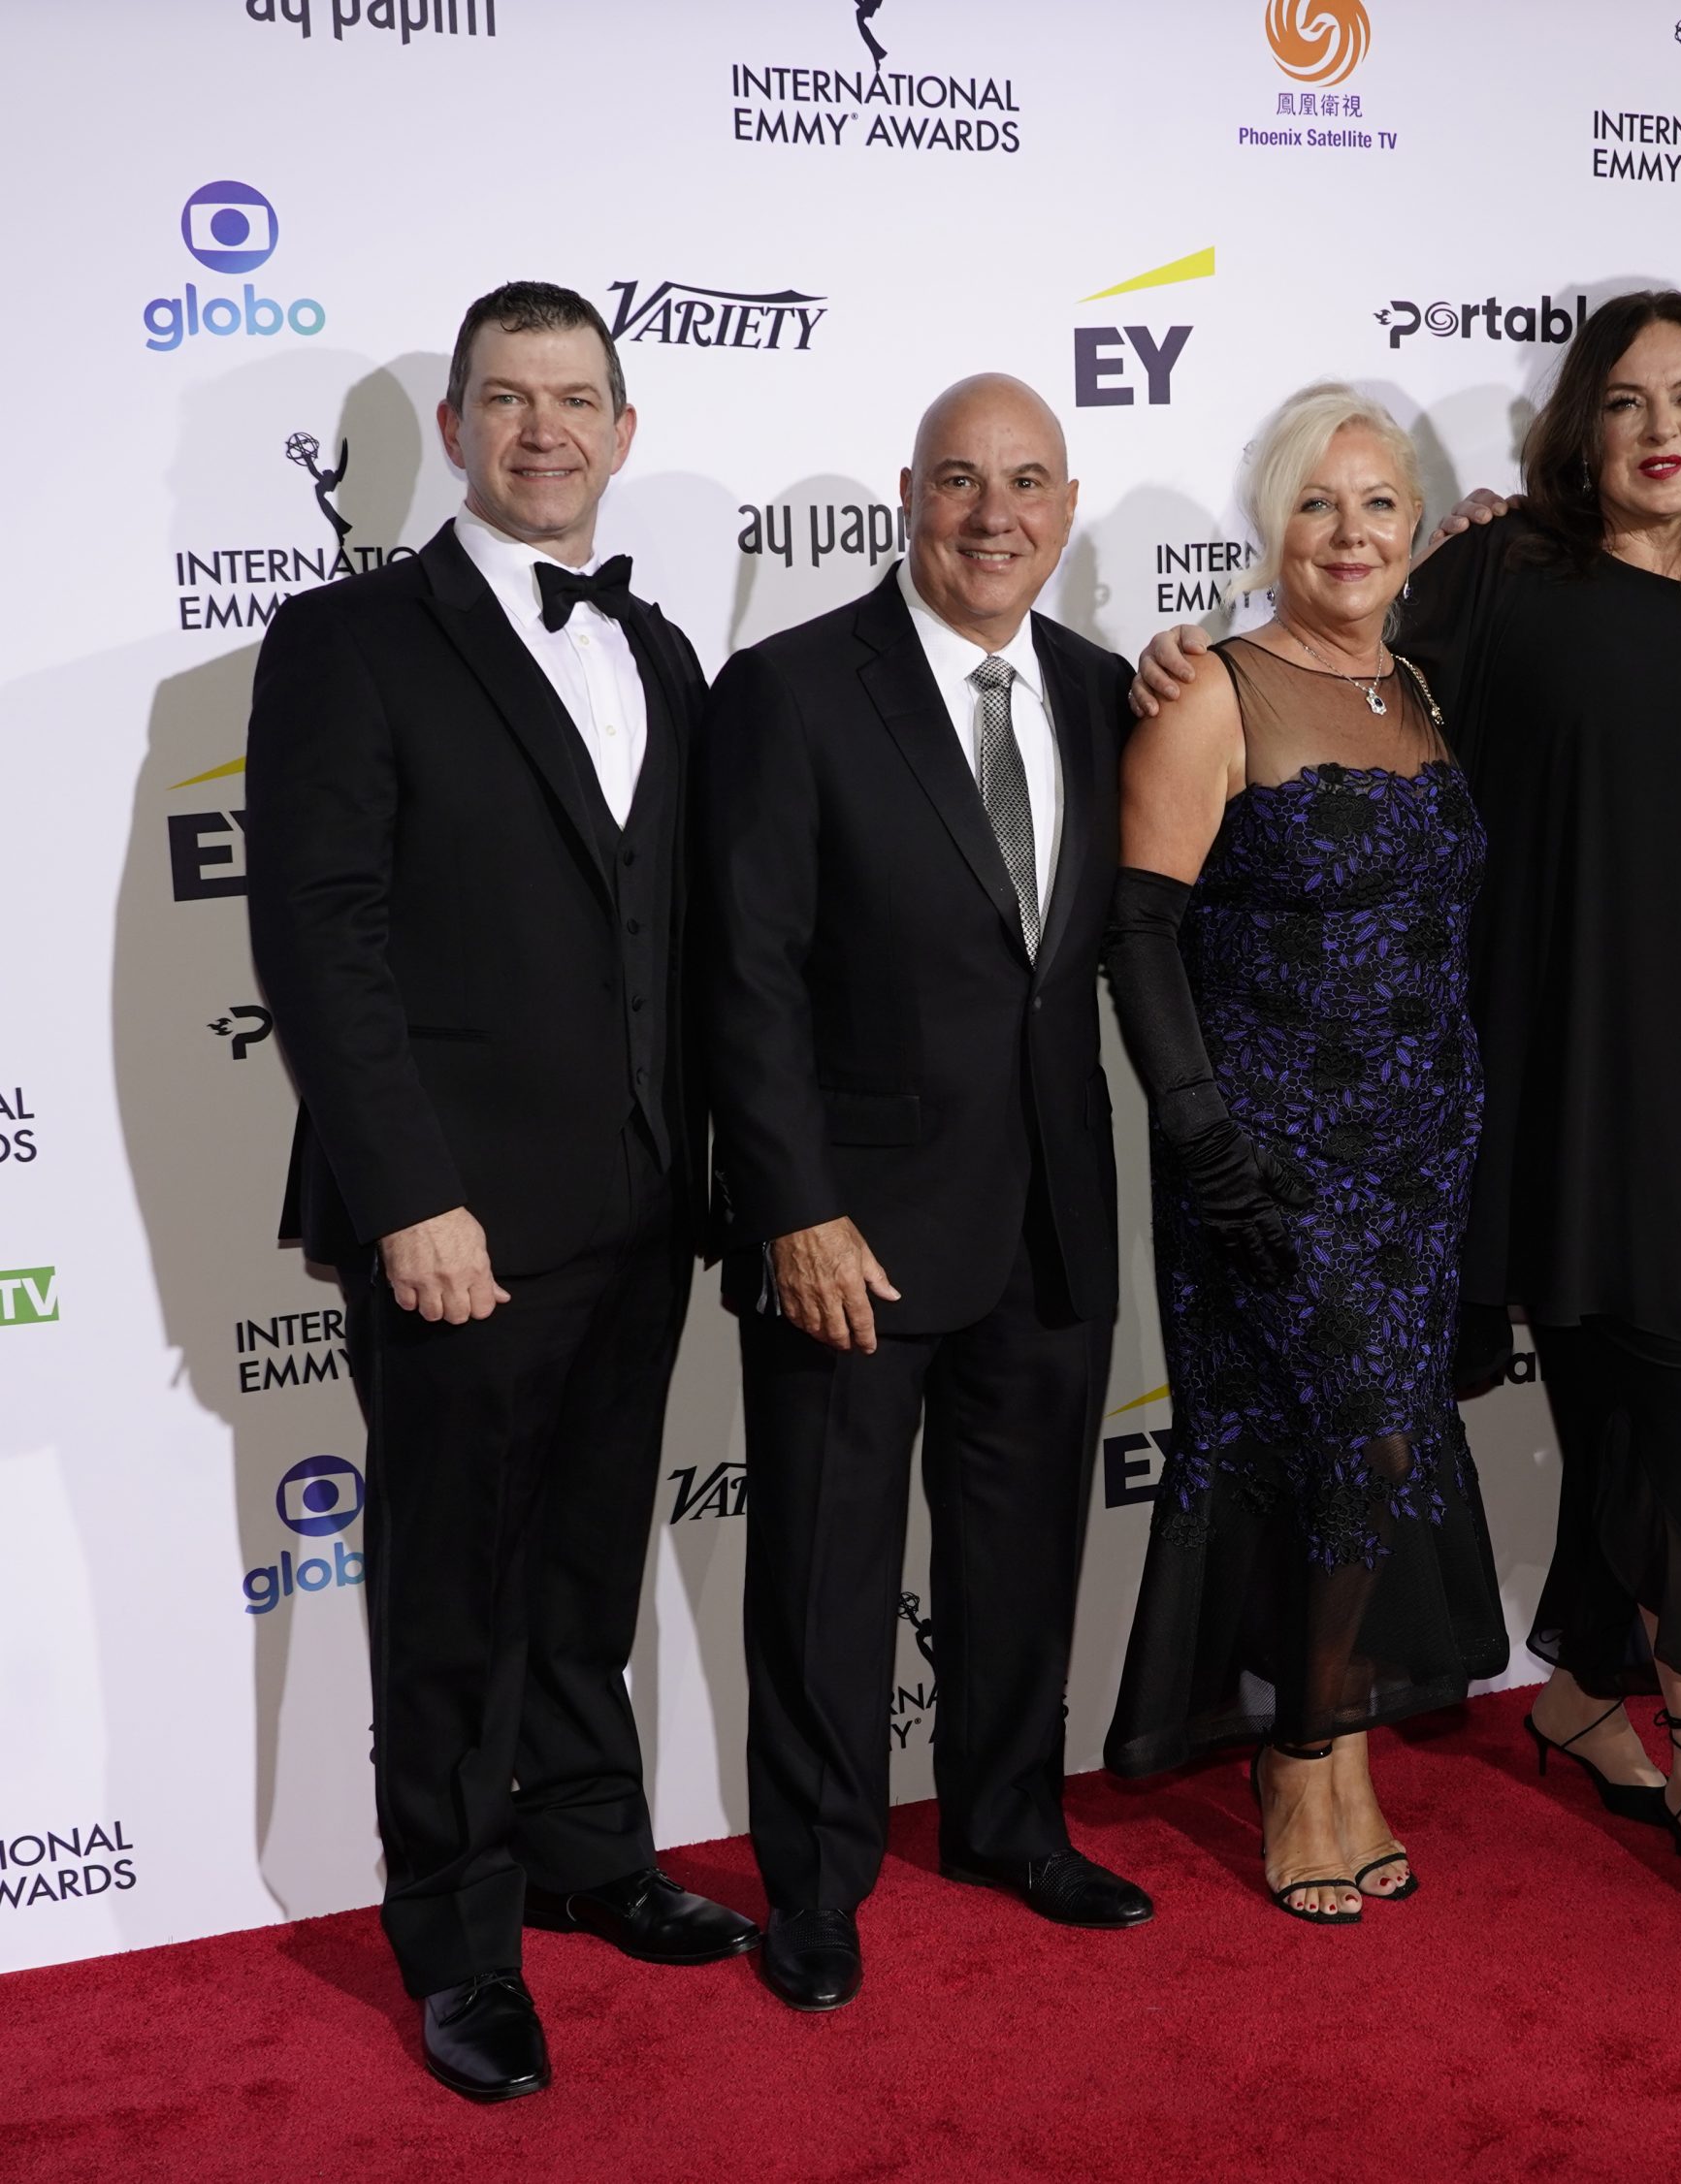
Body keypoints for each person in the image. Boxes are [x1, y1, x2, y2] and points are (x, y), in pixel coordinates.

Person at [1139, 295, 1681, 1941]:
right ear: (1579, 432)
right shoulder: (1513, 583)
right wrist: (1185, 647)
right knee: (1672, 1394)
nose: (1660, 428)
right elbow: (1341, 653)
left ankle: (1592, 1691)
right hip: (1558, 1083)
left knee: (1664, 1391)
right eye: (1624, 402)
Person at [246, 282, 754, 2104]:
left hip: (637, 1208)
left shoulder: (667, 655)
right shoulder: (349, 638)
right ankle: (455, 1943)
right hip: (454, 1225)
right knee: (452, 1598)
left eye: (578, 399)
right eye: (507, 399)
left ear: (625, 433)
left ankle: (591, 1855)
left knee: (584, 1564)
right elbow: (320, 942)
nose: (545, 430)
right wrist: (407, 1201)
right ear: (454, 430)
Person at [700, 374, 1151, 2015]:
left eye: (1026, 482)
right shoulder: (795, 688)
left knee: (1024, 1549)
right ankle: (816, 1885)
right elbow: (741, 981)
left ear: (1069, 499)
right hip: (853, 1232)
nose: (993, 516)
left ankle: (1011, 1823)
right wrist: (793, 1209)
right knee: (825, 1567)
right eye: (961, 481)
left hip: (1051, 1211)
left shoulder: (1111, 693)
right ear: (908, 493)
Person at [1100, 385, 1507, 1923]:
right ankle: (1299, 1756)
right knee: (1348, 1439)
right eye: (1318, 504)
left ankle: (1335, 1752)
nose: (1350, 533)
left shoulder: (1426, 685)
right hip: (1268, 1162)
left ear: (1417, 531)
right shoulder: (1216, 688)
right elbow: (1138, 935)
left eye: (1380, 505)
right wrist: (1203, 1138)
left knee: (1381, 1442)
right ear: (1272, 522)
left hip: (1422, 1151)